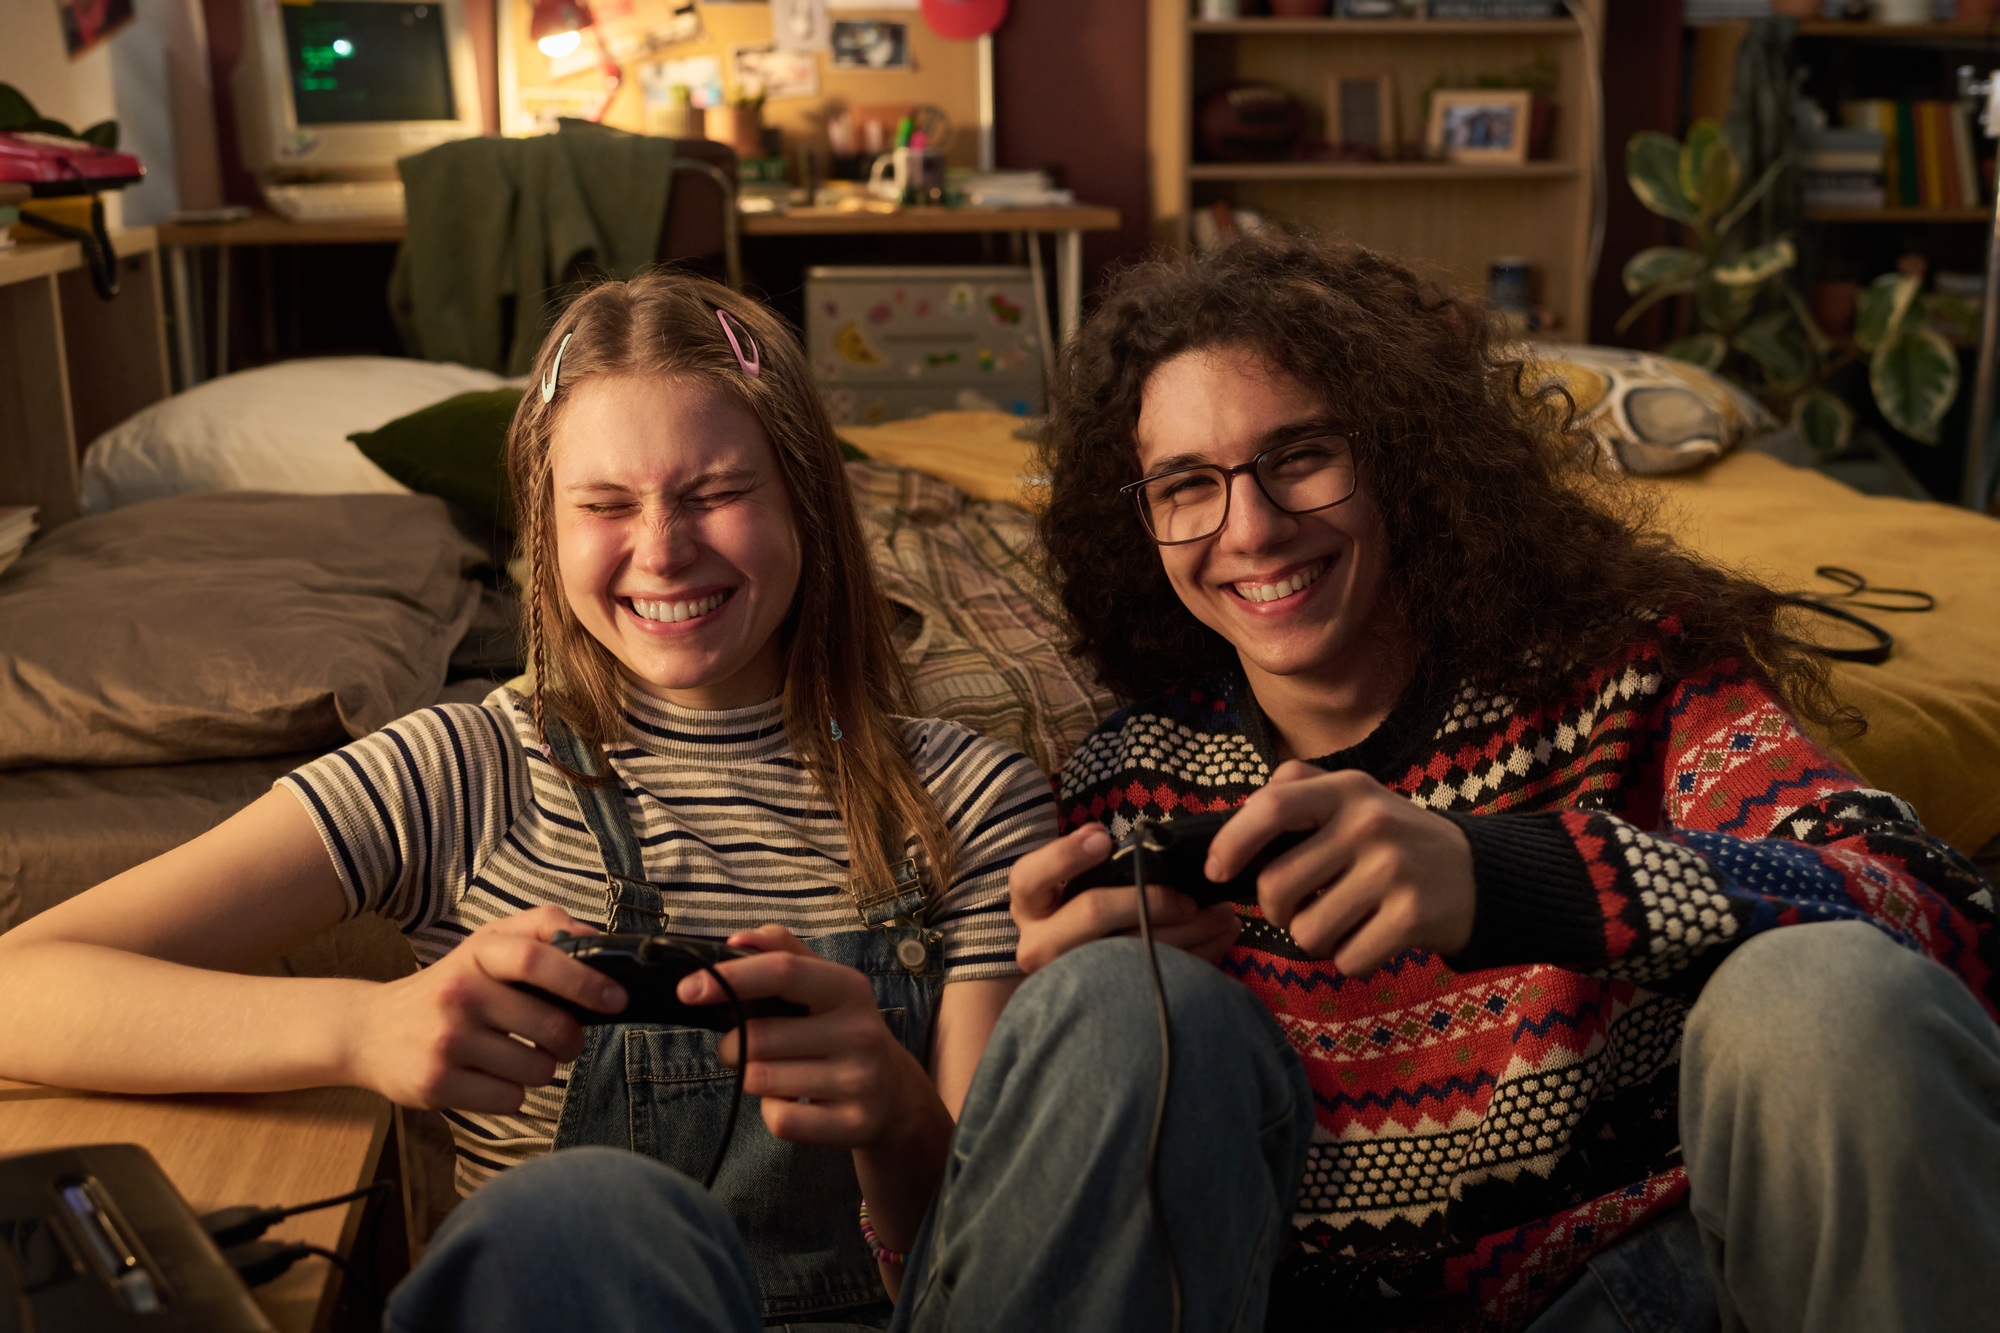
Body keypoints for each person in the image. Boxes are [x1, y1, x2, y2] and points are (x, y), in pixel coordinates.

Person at [0, 273, 1058, 1328]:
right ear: (547, 531)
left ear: (806, 501)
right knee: (593, 1209)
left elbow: (978, 1281)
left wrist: (894, 1119)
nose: (662, 548)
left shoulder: (970, 801)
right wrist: (364, 1028)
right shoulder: (466, 767)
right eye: (604, 505)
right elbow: (20, 987)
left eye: (716, 493)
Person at [1007, 233, 2000, 1332]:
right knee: (1100, 1009)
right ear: (1137, 522)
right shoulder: (1123, 783)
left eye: (1300, 458)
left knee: (1825, 993)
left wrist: (1509, 873)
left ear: (1403, 458)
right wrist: (1048, 1032)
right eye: (1185, 485)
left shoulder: (1630, 679)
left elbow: (1939, 921)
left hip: (1633, 1292)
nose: (1249, 529)